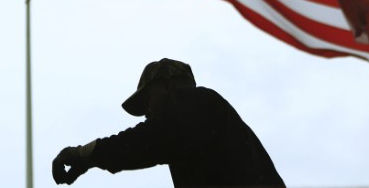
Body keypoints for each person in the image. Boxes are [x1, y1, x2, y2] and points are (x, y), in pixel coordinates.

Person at [52, 58, 285, 187]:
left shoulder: (195, 102)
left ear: (166, 85)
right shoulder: (197, 124)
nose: (147, 113)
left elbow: (150, 140)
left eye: (147, 101)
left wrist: (88, 154)